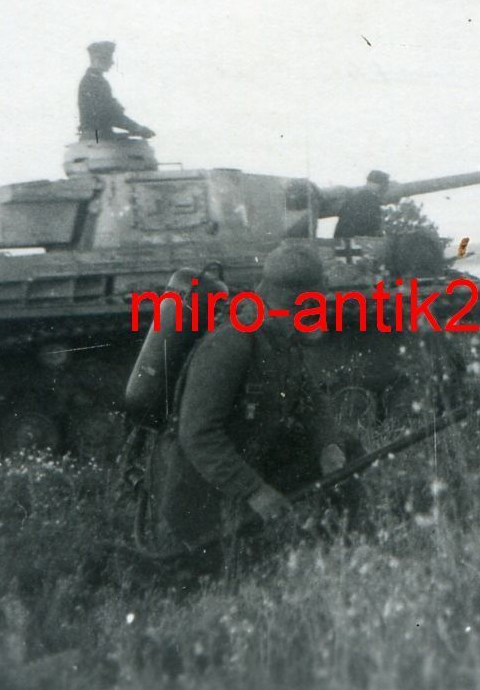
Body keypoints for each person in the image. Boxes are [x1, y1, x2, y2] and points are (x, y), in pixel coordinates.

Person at [156, 244, 356, 562]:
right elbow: (198, 435)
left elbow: (311, 401)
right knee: (234, 567)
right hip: (202, 491)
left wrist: (328, 445)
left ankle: (345, 545)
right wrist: (255, 491)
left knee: (349, 449)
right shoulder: (231, 343)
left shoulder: (281, 339)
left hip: (249, 462)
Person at [78, 41, 155, 142]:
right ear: (96, 60)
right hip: (97, 139)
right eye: (108, 58)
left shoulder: (93, 80)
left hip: (96, 137)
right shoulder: (94, 82)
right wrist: (137, 128)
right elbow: (110, 115)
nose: (112, 62)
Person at [333, 170, 389, 238]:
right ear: (379, 185)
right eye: (385, 185)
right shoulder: (371, 200)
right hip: (359, 239)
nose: (385, 188)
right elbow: (373, 227)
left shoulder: (353, 197)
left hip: (344, 238)